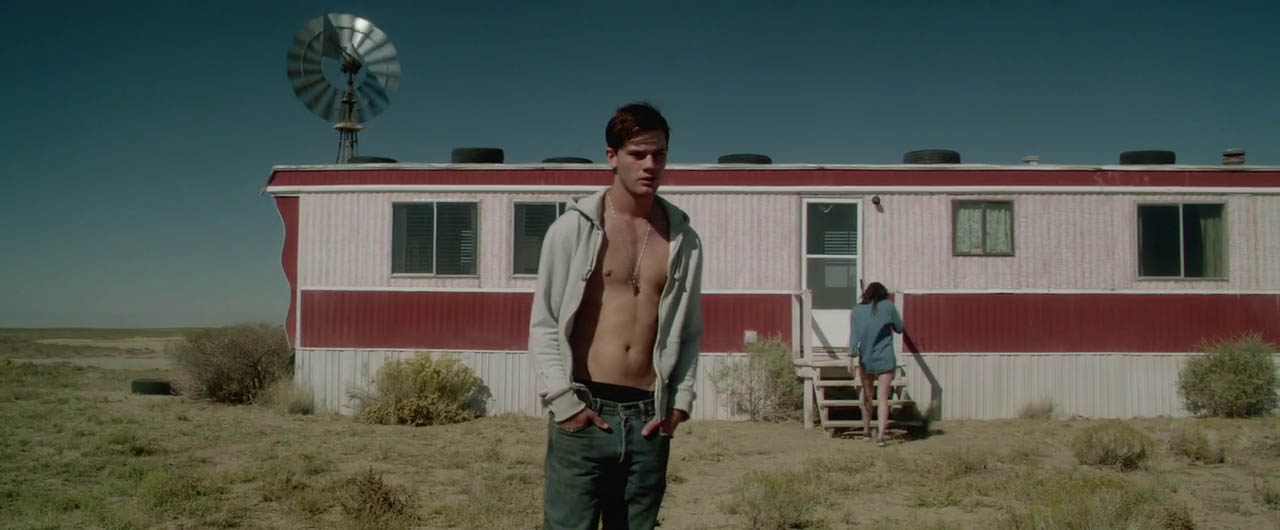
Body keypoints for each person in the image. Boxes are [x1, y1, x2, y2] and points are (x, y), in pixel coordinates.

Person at [529, 102, 704, 530]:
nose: (650, 165)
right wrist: (564, 404)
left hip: (648, 420)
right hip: (586, 413)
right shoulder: (574, 229)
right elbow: (545, 322)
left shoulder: (683, 239)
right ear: (612, 156)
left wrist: (679, 403)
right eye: (638, 154)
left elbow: (689, 330)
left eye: (659, 154)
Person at [848, 282, 905, 447]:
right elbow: (899, 328)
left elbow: (854, 335)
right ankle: (880, 436)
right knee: (883, 398)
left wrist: (851, 356)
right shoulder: (888, 306)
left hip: (866, 358)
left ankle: (866, 431)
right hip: (885, 358)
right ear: (883, 294)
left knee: (867, 395)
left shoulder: (856, 310)